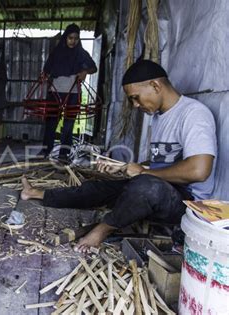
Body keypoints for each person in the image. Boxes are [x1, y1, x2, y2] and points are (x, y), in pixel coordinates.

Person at [22, 60, 217, 253]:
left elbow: (199, 170)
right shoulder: (160, 117)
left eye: (136, 97)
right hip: (161, 188)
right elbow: (163, 162)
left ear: (155, 86)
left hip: (186, 204)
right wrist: (125, 167)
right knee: (100, 188)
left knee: (145, 187)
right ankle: (38, 194)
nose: (134, 105)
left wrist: (141, 172)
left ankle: (103, 230)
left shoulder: (194, 114)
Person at [40, 23, 97, 159]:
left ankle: (64, 154)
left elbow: (93, 68)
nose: (73, 41)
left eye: (76, 38)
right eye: (70, 38)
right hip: (55, 91)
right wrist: (45, 76)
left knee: (69, 124)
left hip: (73, 93)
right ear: (65, 38)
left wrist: (84, 71)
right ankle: (45, 151)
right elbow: (46, 69)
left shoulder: (81, 53)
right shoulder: (57, 52)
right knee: (51, 122)